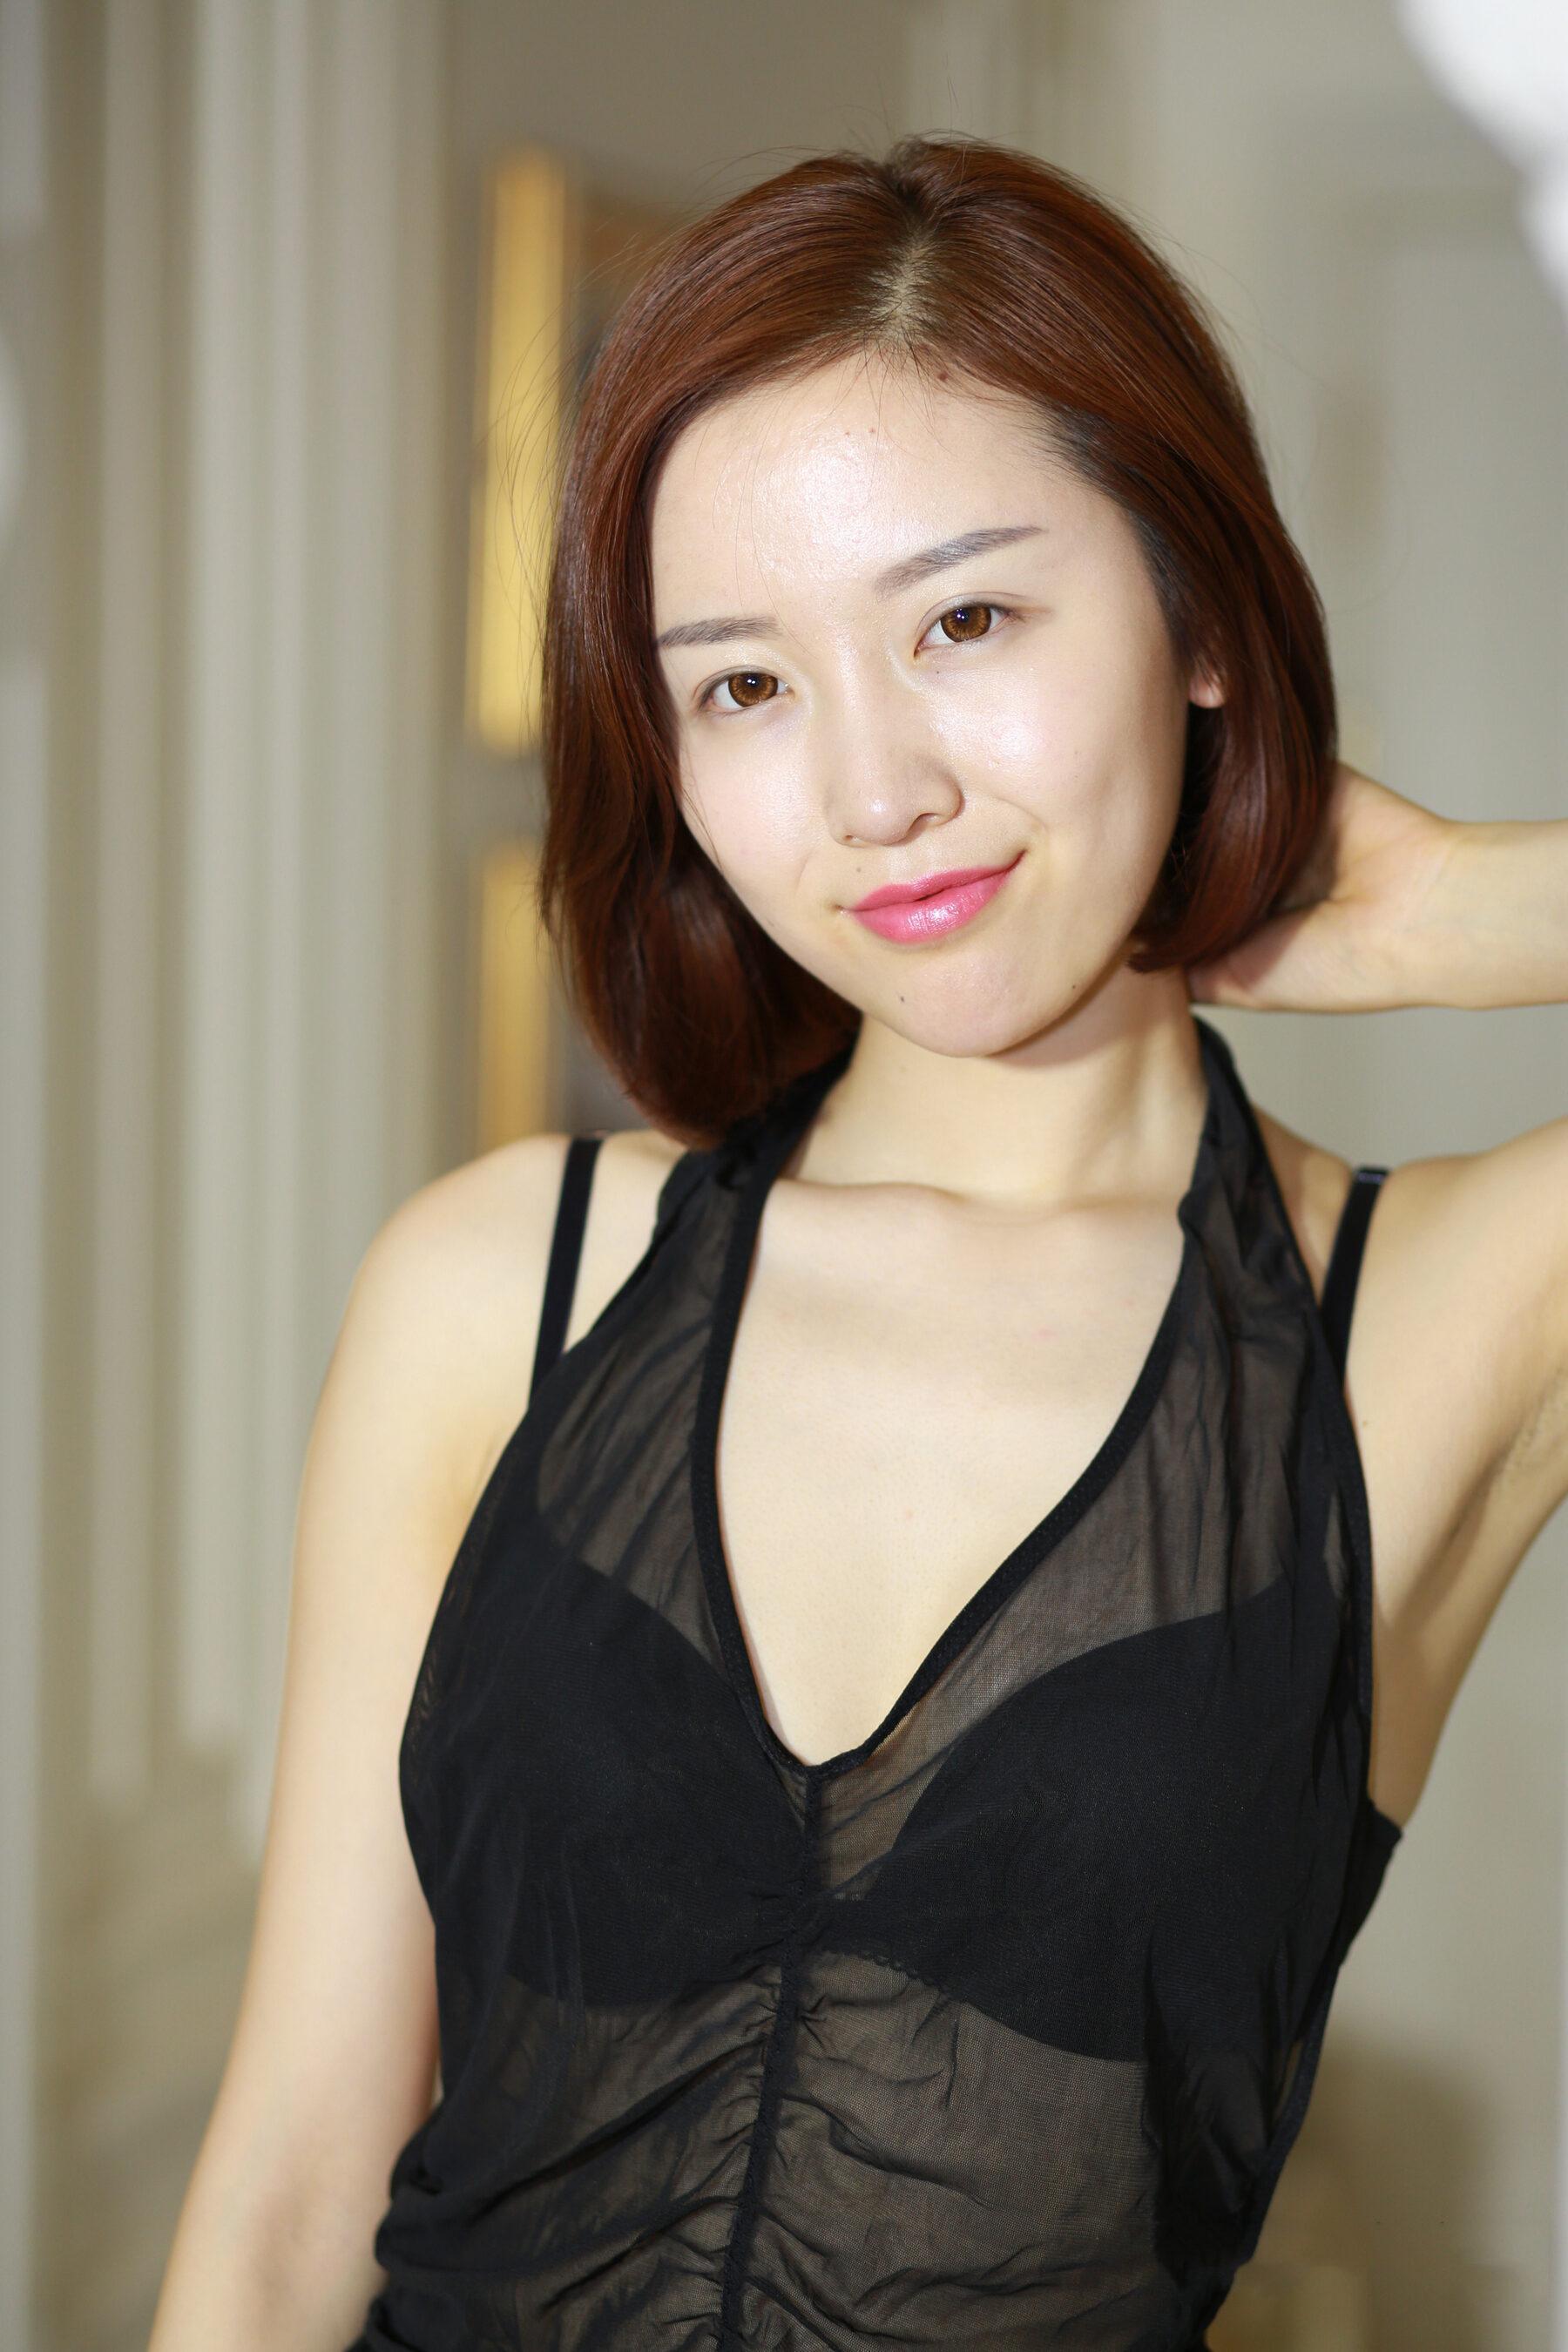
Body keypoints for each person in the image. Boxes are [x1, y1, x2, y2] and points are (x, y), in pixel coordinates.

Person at [148, 133, 1568, 2352]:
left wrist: (1471, 910)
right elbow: (282, 2205)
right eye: (744, 685)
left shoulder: (1442, 1320)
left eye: (965, 620)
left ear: (1198, 617)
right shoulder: (503, 1285)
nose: (873, 791)